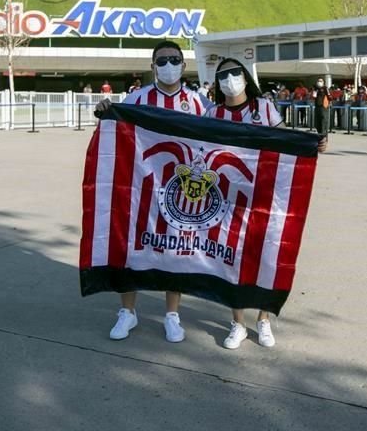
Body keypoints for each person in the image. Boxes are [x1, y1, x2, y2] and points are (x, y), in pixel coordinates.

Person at [93, 40, 210, 344]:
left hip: (180, 192)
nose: (168, 65)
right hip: (139, 187)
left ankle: (172, 315)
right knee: (131, 246)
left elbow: (228, 137)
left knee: (176, 250)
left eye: (174, 59)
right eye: (162, 60)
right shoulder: (137, 98)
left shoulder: (199, 103)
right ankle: (127, 312)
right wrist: (106, 109)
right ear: (152, 66)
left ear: (184, 66)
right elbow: (114, 126)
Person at [205, 58, 326, 350]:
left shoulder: (264, 108)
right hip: (228, 199)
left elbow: (286, 139)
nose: (230, 80)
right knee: (230, 260)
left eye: (235, 73)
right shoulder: (213, 113)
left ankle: (264, 319)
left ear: (246, 77)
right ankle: (238, 323)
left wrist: (312, 143)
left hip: (264, 195)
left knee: (266, 256)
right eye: (223, 75)